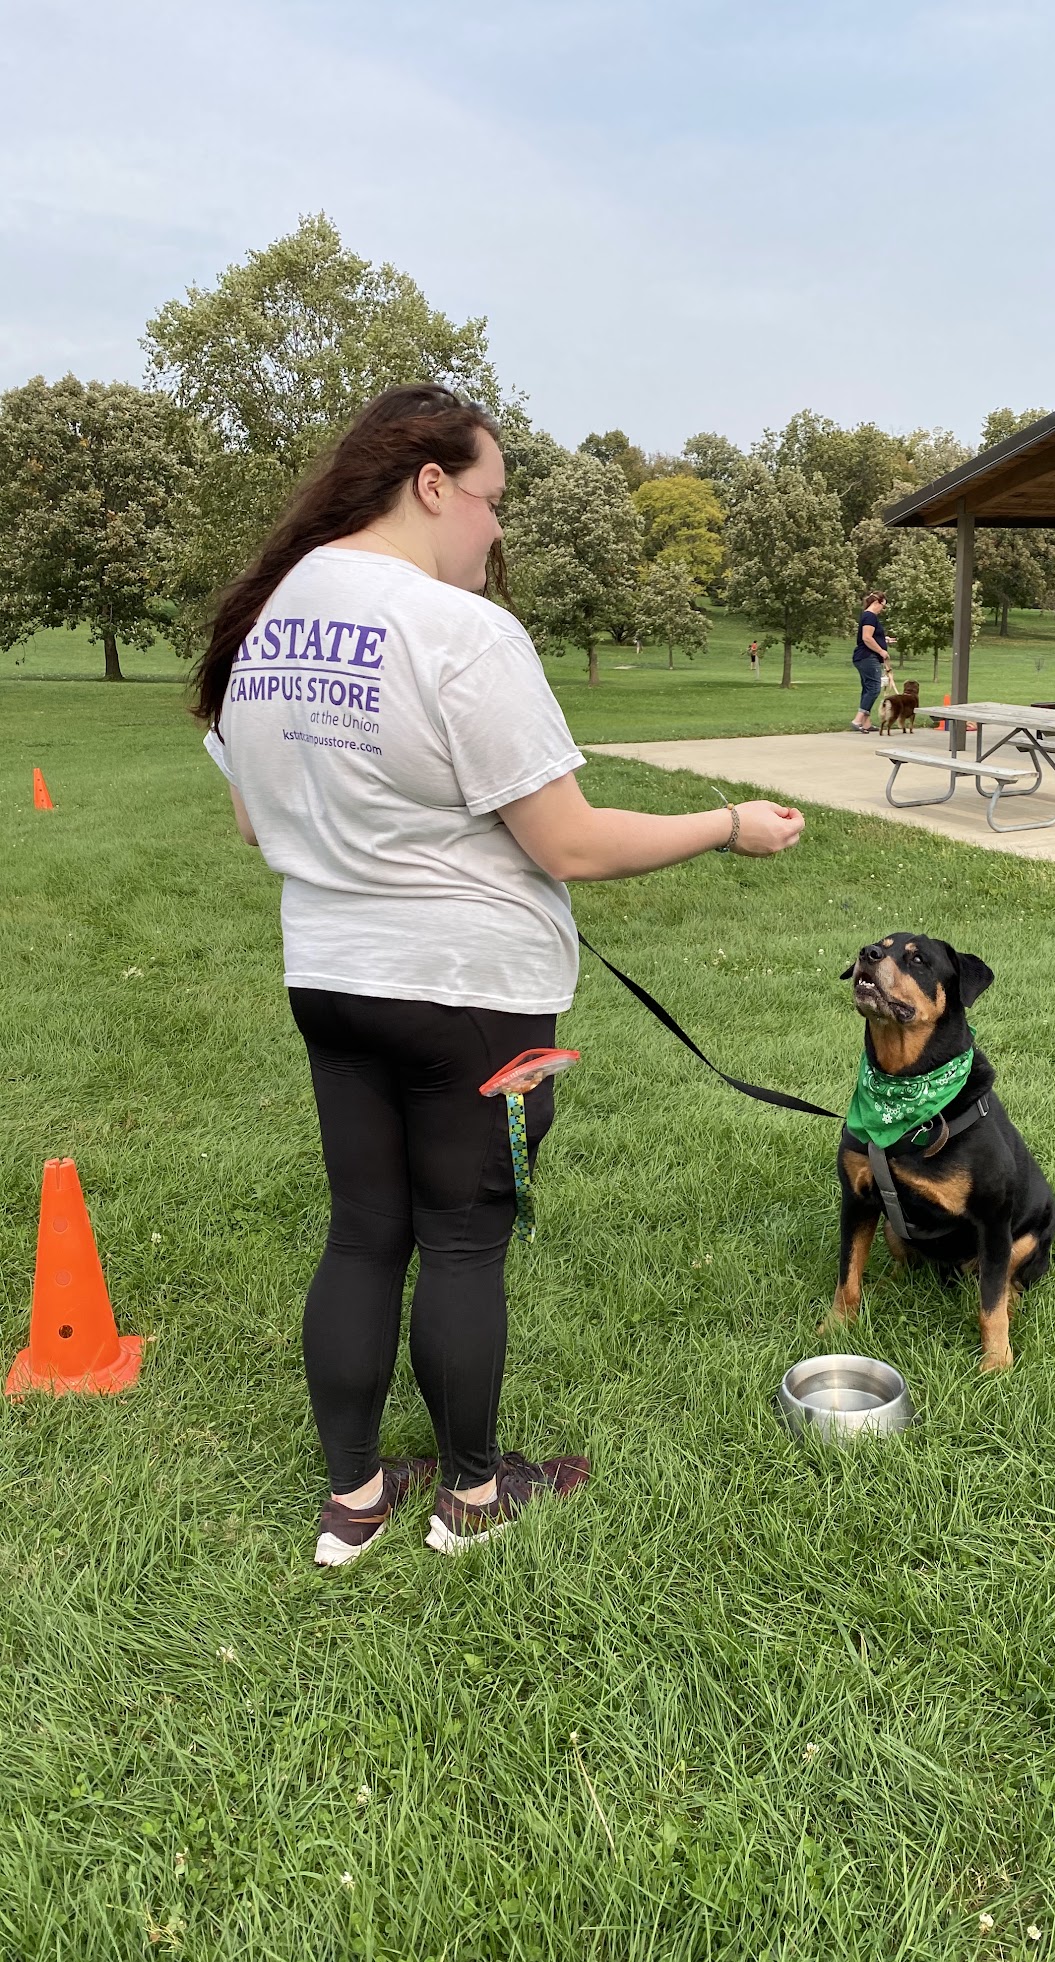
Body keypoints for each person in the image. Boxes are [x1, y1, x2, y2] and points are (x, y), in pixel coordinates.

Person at [192, 383, 803, 1567]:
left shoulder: (268, 624)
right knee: (464, 1238)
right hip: (470, 997)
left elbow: (258, 826)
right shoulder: (457, 631)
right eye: (492, 501)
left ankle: (352, 1501)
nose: (497, 531)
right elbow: (569, 841)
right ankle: (471, 1496)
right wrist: (727, 822)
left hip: (329, 977)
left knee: (364, 1230)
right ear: (432, 484)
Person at [851, 592, 890, 733]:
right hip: (868, 657)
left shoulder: (868, 616)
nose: (882, 610)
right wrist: (881, 651)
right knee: (874, 688)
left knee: (867, 689)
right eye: (883, 606)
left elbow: (871, 636)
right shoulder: (870, 616)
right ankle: (857, 719)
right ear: (877, 602)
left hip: (864, 657)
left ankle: (866, 723)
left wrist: (884, 640)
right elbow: (867, 638)